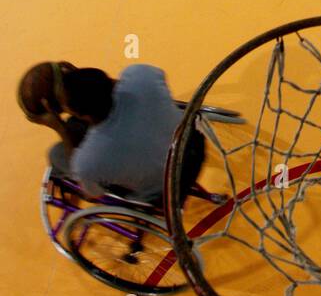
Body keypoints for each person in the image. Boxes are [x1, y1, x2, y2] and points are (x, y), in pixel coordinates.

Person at [18, 60, 203, 205]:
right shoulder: (140, 76)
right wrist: (79, 75)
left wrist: (60, 128)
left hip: (167, 189)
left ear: (82, 114)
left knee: (56, 154)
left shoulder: (88, 161)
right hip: (192, 145)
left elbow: (92, 195)